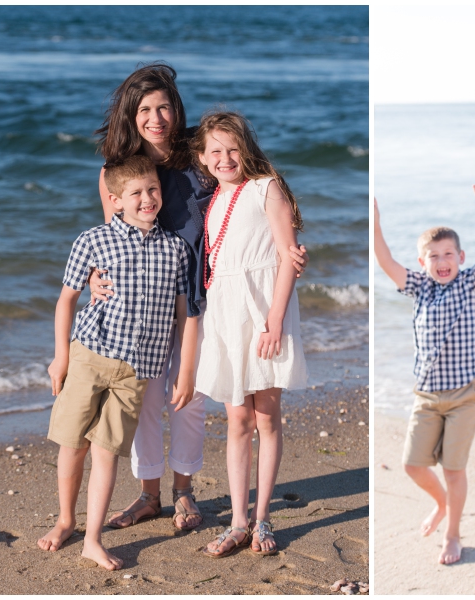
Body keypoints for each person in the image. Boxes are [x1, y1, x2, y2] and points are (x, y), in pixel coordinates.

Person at [92, 63, 308, 531]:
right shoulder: (115, 170)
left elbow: (250, 183)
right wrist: (93, 277)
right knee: (147, 398)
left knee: (187, 397)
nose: (156, 117)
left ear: (177, 108)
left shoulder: (198, 152)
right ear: (131, 115)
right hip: (142, 298)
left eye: (164, 106)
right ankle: (148, 493)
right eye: (145, 109)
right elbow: (110, 236)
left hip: (202, 293)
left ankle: (184, 492)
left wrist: (287, 247)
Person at [37, 156, 197, 570]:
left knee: (107, 450)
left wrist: (184, 367)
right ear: (115, 200)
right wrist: (60, 358)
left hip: (138, 370)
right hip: (90, 355)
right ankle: (67, 520)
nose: (147, 199)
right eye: (136, 193)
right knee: (73, 444)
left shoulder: (176, 249)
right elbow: (66, 301)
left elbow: (183, 313)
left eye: (153, 190)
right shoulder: (93, 241)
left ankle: (93, 538)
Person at [191, 111, 308, 558]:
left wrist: (275, 319)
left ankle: (262, 518)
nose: (224, 158)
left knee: (266, 416)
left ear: (247, 149)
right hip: (226, 315)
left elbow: (286, 257)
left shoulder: (266, 188)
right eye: (215, 151)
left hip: (264, 314)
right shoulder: (213, 200)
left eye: (232, 149)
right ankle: (238, 521)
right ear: (202, 158)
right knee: (237, 419)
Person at [374, 169, 475, 564]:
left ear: (461, 258)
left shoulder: (470, 283)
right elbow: (384, 259)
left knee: (453, 469)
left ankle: (453, 534)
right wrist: (375, 223)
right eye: (434, 256)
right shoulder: (420, 287)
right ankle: (444, 503)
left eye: (449, 254)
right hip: (427, 395)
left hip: (466, 394)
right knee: (412, 465)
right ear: (423, 262)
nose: (442, 261)